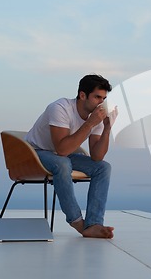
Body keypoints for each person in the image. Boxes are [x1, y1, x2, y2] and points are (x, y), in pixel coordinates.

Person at [25, 74, 117, 238]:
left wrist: (107, 129)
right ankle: (77, 222)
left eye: (104, 98)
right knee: (63, 163)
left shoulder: (95, 116)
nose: (101, 103)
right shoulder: (60, 107)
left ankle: (94, 223)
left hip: (63, 154)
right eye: (97, 97)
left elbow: (97, 157)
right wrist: (90, 124)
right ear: (83, 95)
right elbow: (62, 149)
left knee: (103, 168)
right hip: (35, 152)